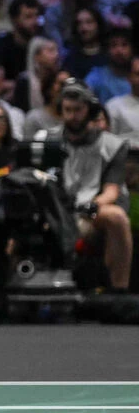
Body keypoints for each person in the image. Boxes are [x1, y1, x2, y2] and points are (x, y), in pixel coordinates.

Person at [46, 82, 132, 292]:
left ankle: (118, 290)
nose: (72, 115)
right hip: (56, 208)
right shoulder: (48, 141)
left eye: (78, 110)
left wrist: (88, 208)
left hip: (91, 210)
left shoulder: (113, 145)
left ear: (90, 111)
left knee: (117, 216)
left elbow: (111, 191)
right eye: (68, 110)